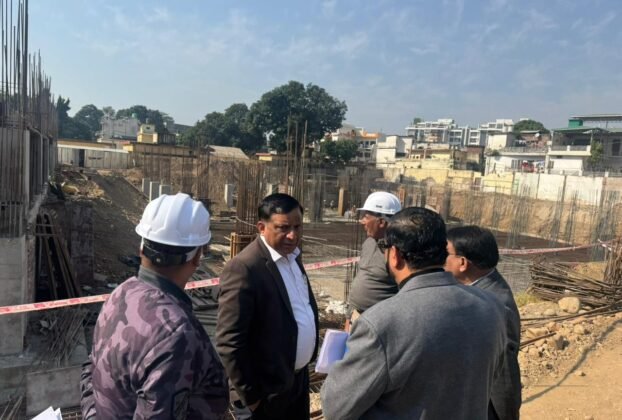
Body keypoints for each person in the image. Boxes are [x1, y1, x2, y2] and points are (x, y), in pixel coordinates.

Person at [321, 207, 507, 420]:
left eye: (384, 247)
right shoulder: (492, 307)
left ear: (395, 255)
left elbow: (336, 407)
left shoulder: (381, 322)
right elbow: (491, 374)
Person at [80, 193, 229, 419]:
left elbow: (91, 370)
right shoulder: (176, 333)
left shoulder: (121, 293)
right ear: (198, 257)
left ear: (141, 248)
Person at [216, 193, 319, 420]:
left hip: (295, 382)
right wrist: (250, 397)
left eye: (297, 227)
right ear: (262, 228)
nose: (292, 235)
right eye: (283, 228)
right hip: (265, 394)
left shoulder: (293, 257)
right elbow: (229, 341)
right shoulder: (244, 268)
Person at [445, 225, 521, 420]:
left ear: (463, 263)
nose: (440, 260)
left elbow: (504, 376)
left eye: (445, 254)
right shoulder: (478, 290)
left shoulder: (496, 307)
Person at [346, 191, 401, 328]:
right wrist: (349, 318)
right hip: (356, 318)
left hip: (379, 324)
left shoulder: (398, 252)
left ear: (381, 222)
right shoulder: (369, 242)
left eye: (366, 216)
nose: (362, 221)